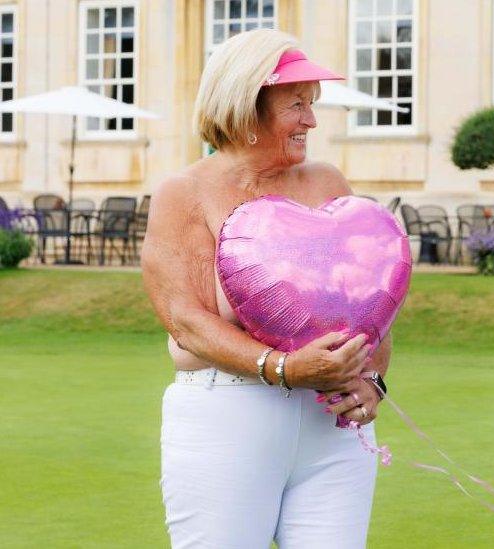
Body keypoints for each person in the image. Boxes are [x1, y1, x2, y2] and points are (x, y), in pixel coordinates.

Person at [142, 29, 389, 548]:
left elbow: (371, 302)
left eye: (312, 104)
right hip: (227, 423)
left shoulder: (327, 184)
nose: (312, 121)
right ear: (244, 105)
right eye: (297, 104)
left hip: (331, 428)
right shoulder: (183, 192)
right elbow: (186, 321)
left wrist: (374, 382)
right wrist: (282, 368)